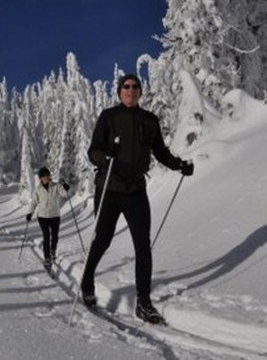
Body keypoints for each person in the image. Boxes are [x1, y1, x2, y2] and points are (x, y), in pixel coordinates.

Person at [81, 74, 193, 325]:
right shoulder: (108, 117)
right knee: (102, 239)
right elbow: (93, 151)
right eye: (126, 87)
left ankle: (143, 302)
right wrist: (104, 157)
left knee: (143, 244)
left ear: (141, 92)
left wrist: (179, 165)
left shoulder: (149, 120)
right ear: (120, 92)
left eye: (135, 87)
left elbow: (160, 152)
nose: (131, 90)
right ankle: (87, 281)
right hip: (109, 188)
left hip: (135, 191)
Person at [26, 167, 70, 271]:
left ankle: (53, 251)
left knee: (55, 236)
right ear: (41, 178)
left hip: (55, 215)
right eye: (44, 176)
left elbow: (64, 194)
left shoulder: (56, 186)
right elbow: (34, 202)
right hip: (42, 216)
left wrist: (66, 187)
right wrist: (30, 213)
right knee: (46, 236)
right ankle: (47, 258)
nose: (46, 177)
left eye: (47, 175)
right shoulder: (38, 189)